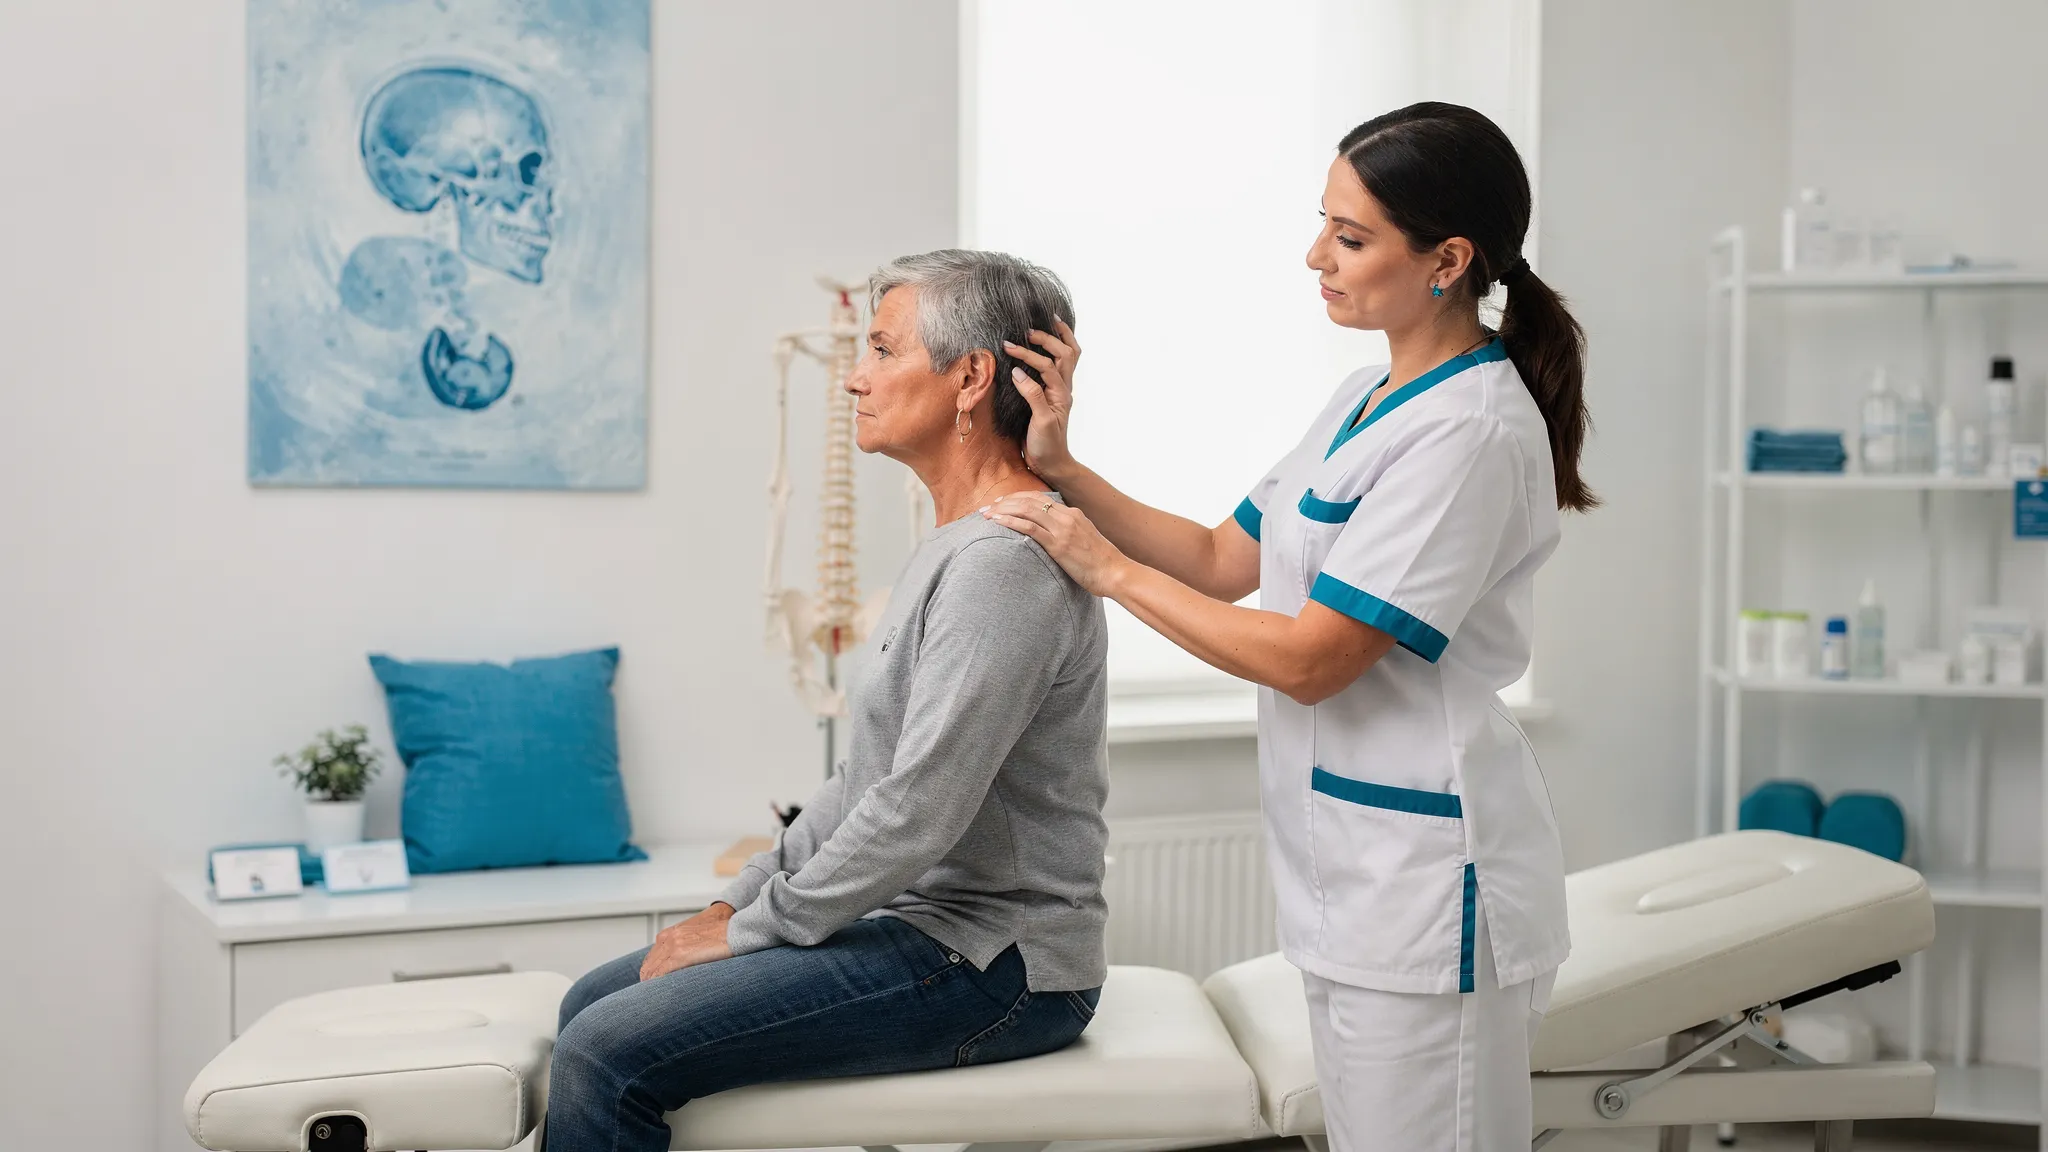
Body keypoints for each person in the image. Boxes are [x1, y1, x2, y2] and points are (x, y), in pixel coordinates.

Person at [984, 102, 1593, 1152]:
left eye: (1349, 238)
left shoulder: (1469, 433)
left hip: (1423, 884)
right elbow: (1222, 560)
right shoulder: (1366, 398)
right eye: (1323, 224)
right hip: (1350, 875)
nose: (1316, 257)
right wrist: (1063, 468)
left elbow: (1313, 659)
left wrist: (1106, 571)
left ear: (1447, 260)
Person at [542, 250, 1108, 1152]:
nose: (854, 378)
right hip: (921, 928)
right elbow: (864, 780)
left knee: (606, 1051)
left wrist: (755, 932)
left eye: (881, 350)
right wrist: (737, 905)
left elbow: (917, 810)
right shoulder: (955, 543)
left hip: (1000, 966)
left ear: (970, 379)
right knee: (591, 1002)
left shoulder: (1004, 564)